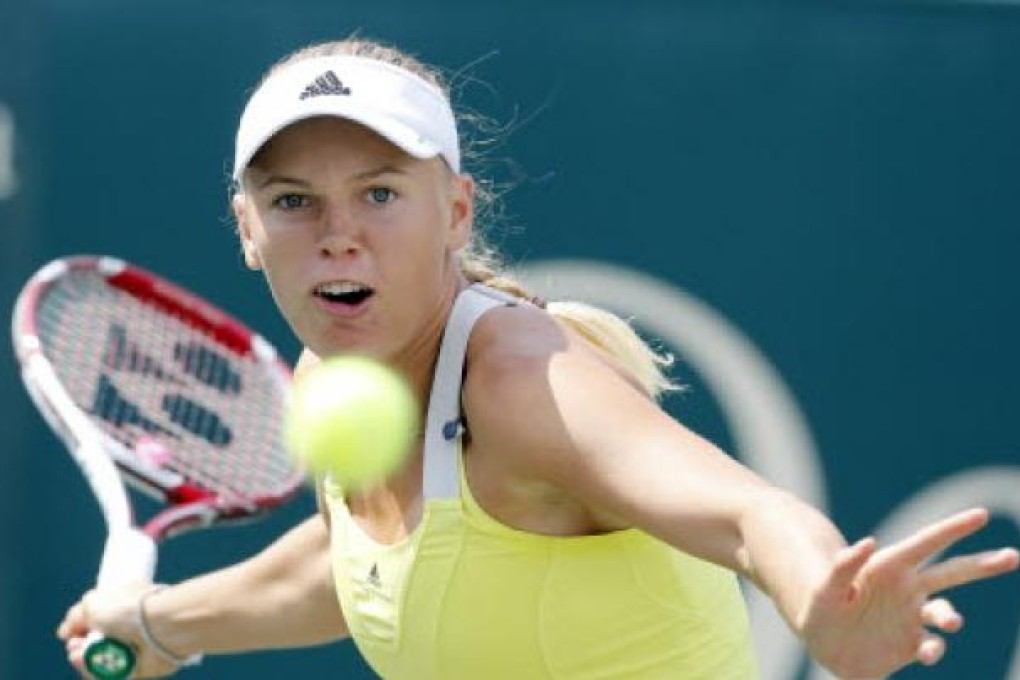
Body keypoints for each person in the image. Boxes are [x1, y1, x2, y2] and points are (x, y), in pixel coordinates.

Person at [58, 37, 1018, 679]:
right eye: (295, 200)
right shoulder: (331, 380)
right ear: (247, 229)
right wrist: (156, 625)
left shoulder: (519, 380)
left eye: (382, 193)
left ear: (458, 211)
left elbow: (742, 510)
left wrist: (817, 596)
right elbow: (358, 570)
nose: (339, 235)